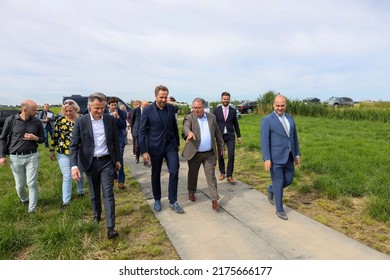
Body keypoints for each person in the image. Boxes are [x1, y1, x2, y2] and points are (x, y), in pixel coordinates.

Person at [70, 92, 121, 239]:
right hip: (90, 162)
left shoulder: (110, 120)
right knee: (94, 193)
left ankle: (111, 227)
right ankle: (96, 214)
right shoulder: (81, 122)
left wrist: (117, 160)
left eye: (102, 108)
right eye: (97, 108)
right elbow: (74, 145)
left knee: (108, 193)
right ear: (89, 106)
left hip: (107, 161)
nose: (100, 111)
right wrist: (74, 166)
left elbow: (115, 141)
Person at [138, 85, 183, 214]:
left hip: (170, 146)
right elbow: (141, 132)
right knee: (155, 174)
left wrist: (177, 143)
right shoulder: (148, 111)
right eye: (161, 97)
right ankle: (157, 199)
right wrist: (144, 151)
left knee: (174, 171)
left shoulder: (171, 109)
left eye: (165, 97)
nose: (163, 99)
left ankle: (173, 201)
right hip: (155, 147)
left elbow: (174, 127)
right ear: (156, 96)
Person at [260, 94, 301, 220]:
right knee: (278, 182)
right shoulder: (267, 120)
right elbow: (264, 140)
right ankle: (280, 209)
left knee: (288, 180)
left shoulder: (290, 118)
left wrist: (297, 154)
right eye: (277, 105)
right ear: (273, 105)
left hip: (289, 156)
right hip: (275, 158)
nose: (280, 108)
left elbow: (294, 138)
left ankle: (271, 189)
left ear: (285, 105)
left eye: (282, 105)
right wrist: (266, 158)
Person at [0, 100, 44, 213]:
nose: (37, 112)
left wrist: (35, 138)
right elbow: (3, 138)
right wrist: (2, 155)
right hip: (15, 158)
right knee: (20, 186)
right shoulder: (11, 120)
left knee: (32, 183)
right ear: (25, 110)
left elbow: (43, 139)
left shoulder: (37, 122)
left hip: (32, 156)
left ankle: (32, 210)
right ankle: (24, 199)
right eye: (34, 110)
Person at [182, 98, 224, 210]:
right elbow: (185, 126)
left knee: (211, 176)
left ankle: (214, 199)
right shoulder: (189, 117)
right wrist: (189, 132)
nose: (196, 110)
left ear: (203, 107)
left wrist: (221, 147)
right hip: (195, 153)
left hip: (209, 153)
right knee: (193, 174)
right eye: (194, 108)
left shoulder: (211, 117)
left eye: (198, 108)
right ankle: (191, 191)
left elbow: (218, 133)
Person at [49, 99, 85, 210]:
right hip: (63, 152)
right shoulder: (60, 121)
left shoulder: (82, 119)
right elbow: (55, 136)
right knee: (67, 176)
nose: (68, 113)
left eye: (70, 111)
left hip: (79, 152)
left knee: (79, 173)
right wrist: (51, 150)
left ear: (76, 109)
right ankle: (66, 201)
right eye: (66, 111)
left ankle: (80, 191)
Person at [213, 92, 242, 184]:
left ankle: (229, 175)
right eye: (224, 99)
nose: (226, 101)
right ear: (221, 99)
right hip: (220, 136)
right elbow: (213, 124)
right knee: (221, 155)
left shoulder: (233, 111)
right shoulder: (216, 110)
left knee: (231, 155)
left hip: (230, 136)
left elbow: (235, 124)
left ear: (229, 99)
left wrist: (239, 136)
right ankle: (222, 172)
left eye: (227, 99)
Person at [107, 97, 127, 189]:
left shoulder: (122, 113)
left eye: (115, 105)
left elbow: (123, 125)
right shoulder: (105, 114)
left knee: (120, 159)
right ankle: (114, 176)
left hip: (119, 140)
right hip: (109, 140)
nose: (114, 107)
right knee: (112, 159)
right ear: (109, 106)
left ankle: (121, 181)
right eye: (112, 105)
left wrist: (117, 117)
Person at [130, 100, 150, 166]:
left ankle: (146, 161)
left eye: (147, 106)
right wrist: (132, 130)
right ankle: (137, 157)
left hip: (146, 131)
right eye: (145, 106)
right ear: (142, 105)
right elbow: (132, 120)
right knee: (138, 146)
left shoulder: (149, 111)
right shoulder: (136, 110)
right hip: (137, 131)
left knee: (146, 146)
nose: (147, 107)